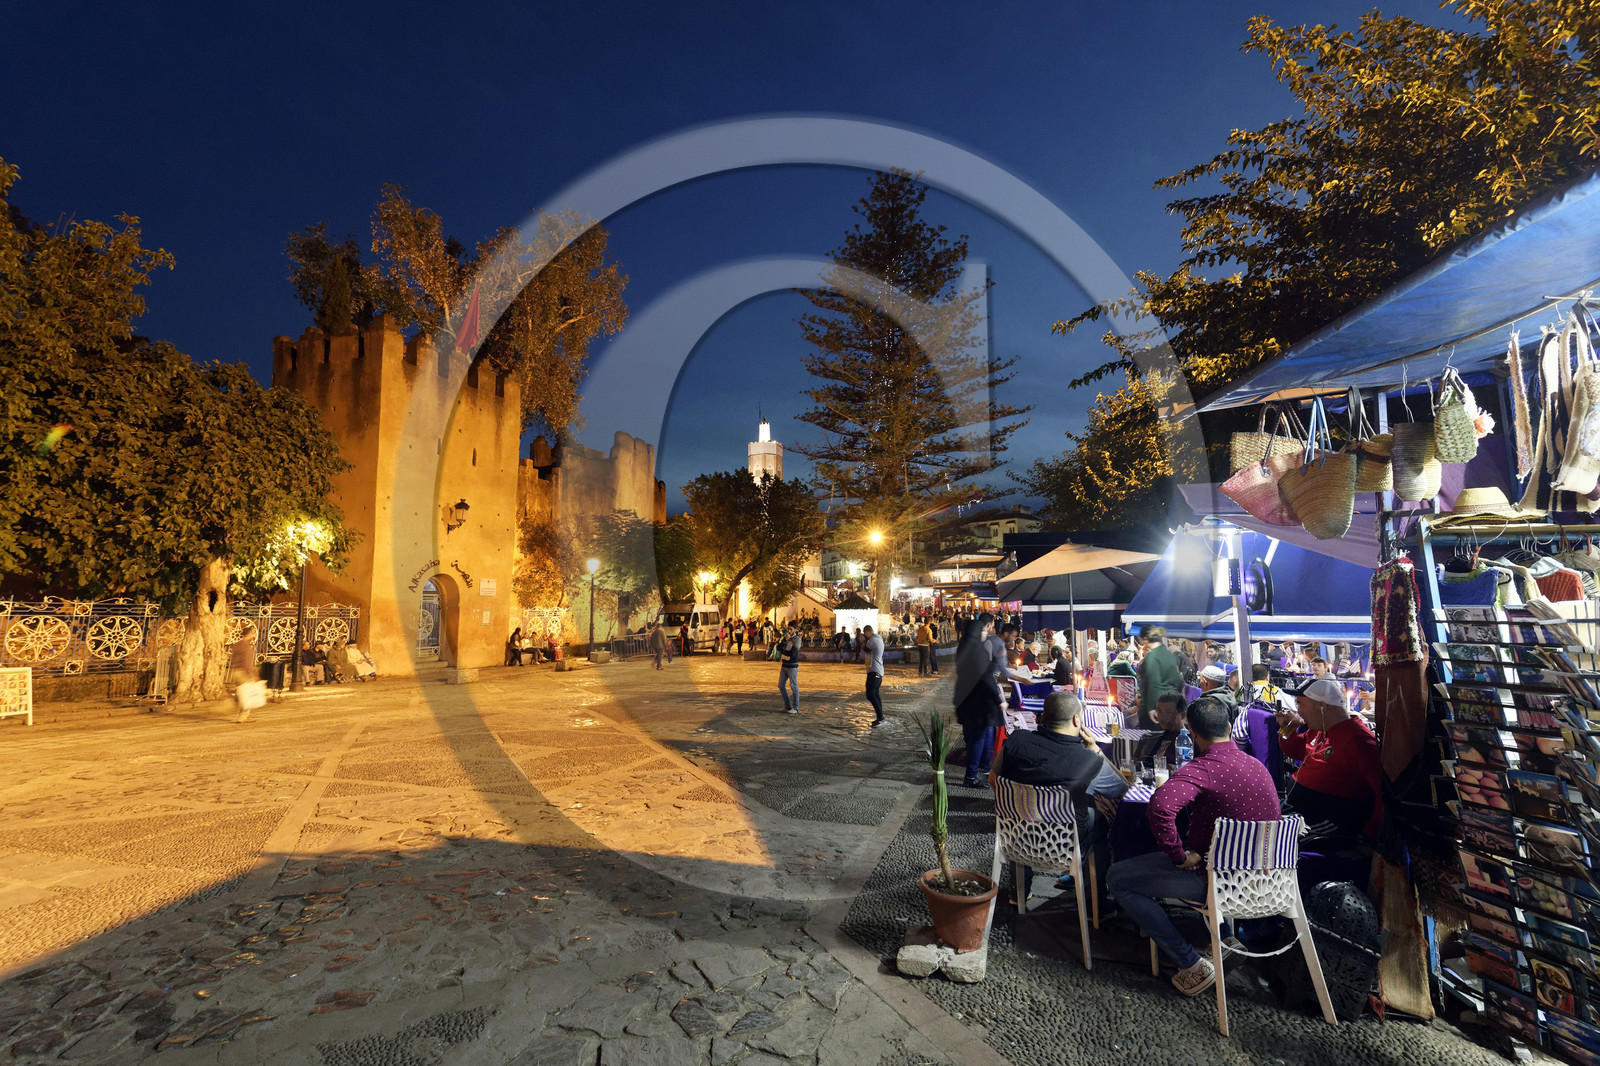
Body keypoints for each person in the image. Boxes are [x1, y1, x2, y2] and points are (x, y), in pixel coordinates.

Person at [1106, 696, 1281, 997]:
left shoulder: (1203, 768)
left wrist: (1178, 856)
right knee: (1203, 849)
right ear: (1229, 727)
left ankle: (1190, 962)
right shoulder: (1257, 766)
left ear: (1192, 732)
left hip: (1217, 882)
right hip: (1268, 881)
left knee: (1117, 878)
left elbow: (1160, 807)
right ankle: (1223, 940)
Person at [992, 691, 1126, 910]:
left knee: (1022, 814)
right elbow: (1120, 788)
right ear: (1076, 720)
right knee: (1101, 821)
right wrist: (1096, 750)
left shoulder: (1017, 741)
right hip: (1064, 845)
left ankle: (1019, 892)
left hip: (1016, 839)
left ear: (1044, 716)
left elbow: (993, 779)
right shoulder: (1088, 761)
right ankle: (1096, 906)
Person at [1277, 677, 1384, 883]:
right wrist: (1287, 729)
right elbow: (1296, 750)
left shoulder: (1359, 741)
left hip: (1323, 827)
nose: (1298, 711)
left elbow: (1383, 795)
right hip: (1302, 815)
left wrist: (1367, 840)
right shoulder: (1320, 728)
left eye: (1301, 704)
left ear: (1322, 706)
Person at [954, 615, 1004, 788]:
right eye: (983, 631)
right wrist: (998, 700)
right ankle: (971, 776)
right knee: (977, 739)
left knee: (973, 738)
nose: (985, 634)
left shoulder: (964, 646)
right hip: (977, 703)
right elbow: (986, 678)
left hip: (965, 701)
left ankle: (974, 771)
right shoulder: (977, 650)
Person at [1136, 626, 1184, 729]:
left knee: (1150, 737)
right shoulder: (1170, 655)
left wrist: (1151, 708)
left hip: (1155, 706)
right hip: (1171, 705)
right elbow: (1178, 681)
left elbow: (1154, 683)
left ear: (1144, 639)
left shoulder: (1152, 656)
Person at [1133, 691, 1188, 765]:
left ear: (1182, 715)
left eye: (1168, 712)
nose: (1162, 717)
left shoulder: (1188, 744)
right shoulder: (1148, 739)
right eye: (1159, 711)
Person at [231, 631, 257, 723]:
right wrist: (252, 674)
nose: (253, 635)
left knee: (241, 693)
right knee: (247, 694)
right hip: (243, 672)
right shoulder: (246, 646)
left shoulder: (237, 644)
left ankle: (232, 704)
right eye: (252, 633)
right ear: (249, 634)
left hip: (236, 671)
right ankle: (243, 716)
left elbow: (233, 658)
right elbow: (247, 662)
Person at [863, 624, 886, 726]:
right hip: (877, 670)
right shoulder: (878, 638)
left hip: (874, 671)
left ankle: (880, 717)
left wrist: (863, 641)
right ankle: (880, 717)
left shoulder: (873, 640)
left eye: (865, 634)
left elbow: (865, 648)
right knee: (875, 694)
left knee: (871, 694)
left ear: (867, 632)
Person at [777, 623, 801, 714]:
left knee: (793, 686)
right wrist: (784, 640)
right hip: (784, 666)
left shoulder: (797, 639)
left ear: (795, 630)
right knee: (781, 685)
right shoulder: (786, 638)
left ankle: (795, 707)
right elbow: (778, 648)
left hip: (792, 666)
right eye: (788, 629)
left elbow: (794, 653)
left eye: (791, 629)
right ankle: (787, 705)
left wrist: (784, 656)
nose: (789, 631)